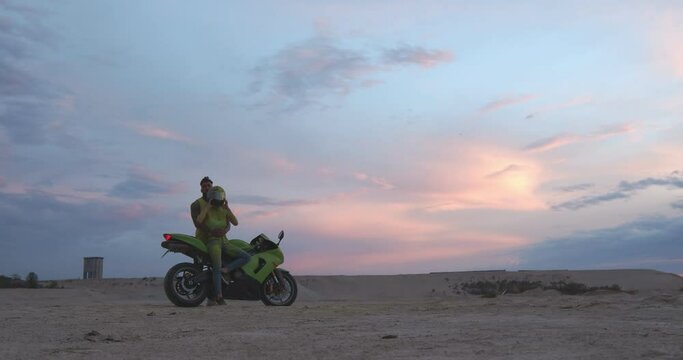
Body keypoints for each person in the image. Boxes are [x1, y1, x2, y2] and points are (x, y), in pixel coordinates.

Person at [194, 184, 250, 305]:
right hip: (213, 242)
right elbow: (199, 220)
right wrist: (208, 206)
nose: (218, 198)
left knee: (246, 256)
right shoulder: (208, 210)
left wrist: (228, 208)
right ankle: (219, 296)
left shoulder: (224, 210)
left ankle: (227, 269)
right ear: (210, 197)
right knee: (216, 268)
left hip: (225, 242)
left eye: (220, 196)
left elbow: (235, 222)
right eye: (215, 196)